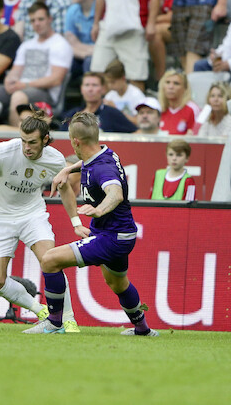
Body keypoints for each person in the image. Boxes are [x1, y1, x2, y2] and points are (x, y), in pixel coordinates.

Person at [33, 111, 156, 336]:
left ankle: (54, 322)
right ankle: (143, 329)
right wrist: (68, 169)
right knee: (118, 284)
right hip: (121, 233)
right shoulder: (102, 153)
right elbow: (87, 162)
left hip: (112, 237)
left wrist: (98, 210)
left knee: (49, 260)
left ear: (76, 141)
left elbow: (115, 193)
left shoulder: (102, 169)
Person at [0, 108, 80, 334]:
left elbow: (65, 188)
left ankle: (68, 319)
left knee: (51, 260)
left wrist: (75, 221)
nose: (26, 147)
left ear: (45, 140)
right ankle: (40, 310)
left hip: (32, 214)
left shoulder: (55, 159)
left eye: (32, 142)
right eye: (23, 141)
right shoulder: (4, 151)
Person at [0, 2, 72, 126]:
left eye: (40, 19)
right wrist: (10, 80)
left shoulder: (60, 44)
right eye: (33, 20)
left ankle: (17, 139)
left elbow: (56, 79)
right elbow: (16, 70)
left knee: (18, 97)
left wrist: (24, 84)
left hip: (45, 93)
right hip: (21, 87)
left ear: (50, 19)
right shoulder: (27, 44)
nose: (36, 23)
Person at [60, 71, 138, 133]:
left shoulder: (112, 114)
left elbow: (136, 133)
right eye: (87, 85)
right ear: (81, 89)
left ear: (103, 89)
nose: (90, 89)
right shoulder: (71, 115)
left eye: (94, 85)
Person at [64, 0, 96, 77]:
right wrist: (85, 53)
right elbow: (71, 43)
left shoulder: (102, 10)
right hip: (81, 54)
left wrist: (88, 53)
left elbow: (104, 47)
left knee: (90, 62)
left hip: (100, 56)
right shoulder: (72, 10)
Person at [158, 69, 199, 134]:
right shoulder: (158, 108)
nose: (171, 87)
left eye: (176, 83)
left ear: (185, 88)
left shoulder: (192, 109)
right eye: (167, 82)